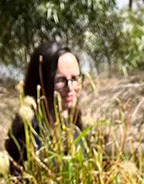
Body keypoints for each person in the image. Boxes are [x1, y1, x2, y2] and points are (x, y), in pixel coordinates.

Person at [5, 41, 85, 174]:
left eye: (75, 78)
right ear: (41, 81)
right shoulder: (28, 136)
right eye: (60, 80)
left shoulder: (77, 129)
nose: (70, 87)